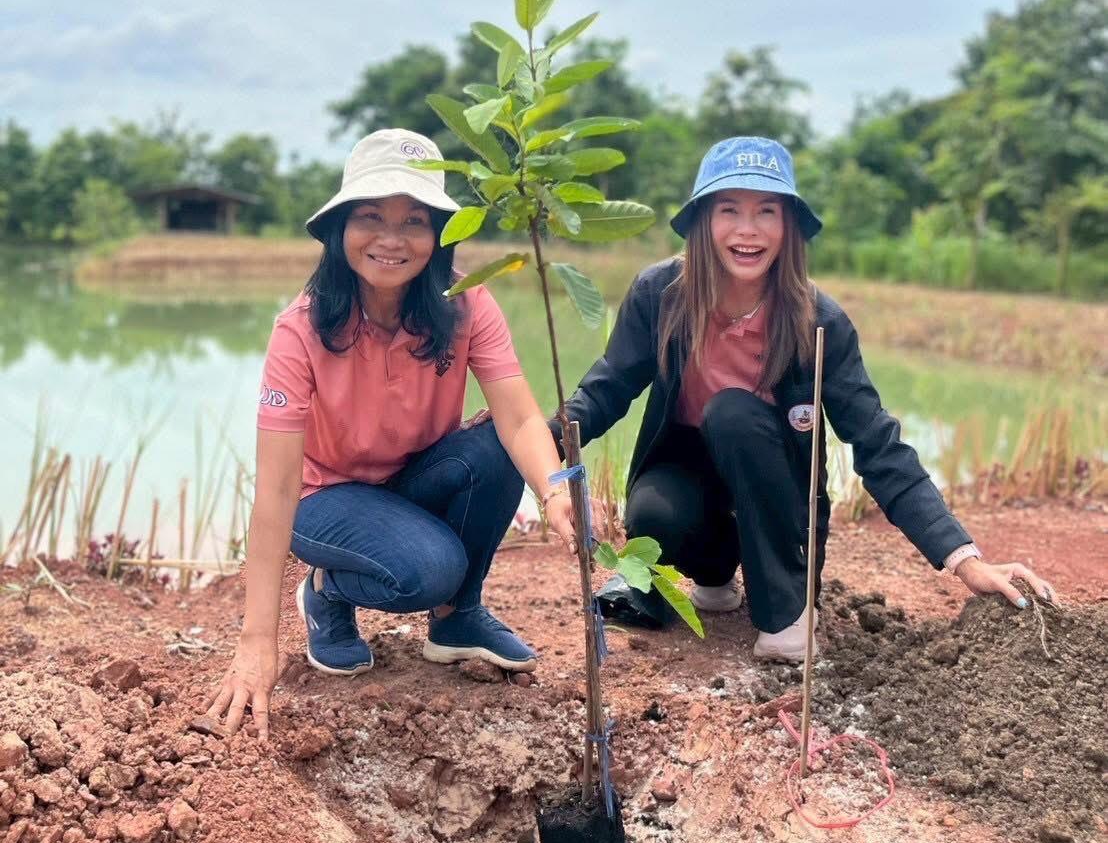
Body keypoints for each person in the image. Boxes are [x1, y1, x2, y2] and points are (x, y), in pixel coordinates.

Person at [554, 136, 1054, 662]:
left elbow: (878, 447)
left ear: (789, 227)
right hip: (695, 475)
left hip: (782, 493)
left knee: (733, 412)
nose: (748, 230)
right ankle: (715, 573)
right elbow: (608, 386)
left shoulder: (819, 321)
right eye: (730, 210)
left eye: (766, 211)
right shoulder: (663, 294)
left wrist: (965, 561)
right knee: (654, 514)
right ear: (703, 222)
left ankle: (786, 608)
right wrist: (537, 442)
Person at [207, 129, 575, 740]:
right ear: (339, 229)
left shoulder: (468, 303)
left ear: (437, 235)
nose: (391, 239)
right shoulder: (299, 328)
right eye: (371, 217)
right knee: (427, 569)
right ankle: (325, 591)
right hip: (324, 499)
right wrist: (256, 643)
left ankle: (457, 619)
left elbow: (517, 416)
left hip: (410, 479)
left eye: (414, 221)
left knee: (495, 449)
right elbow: (273, 492)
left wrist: (558, 489)